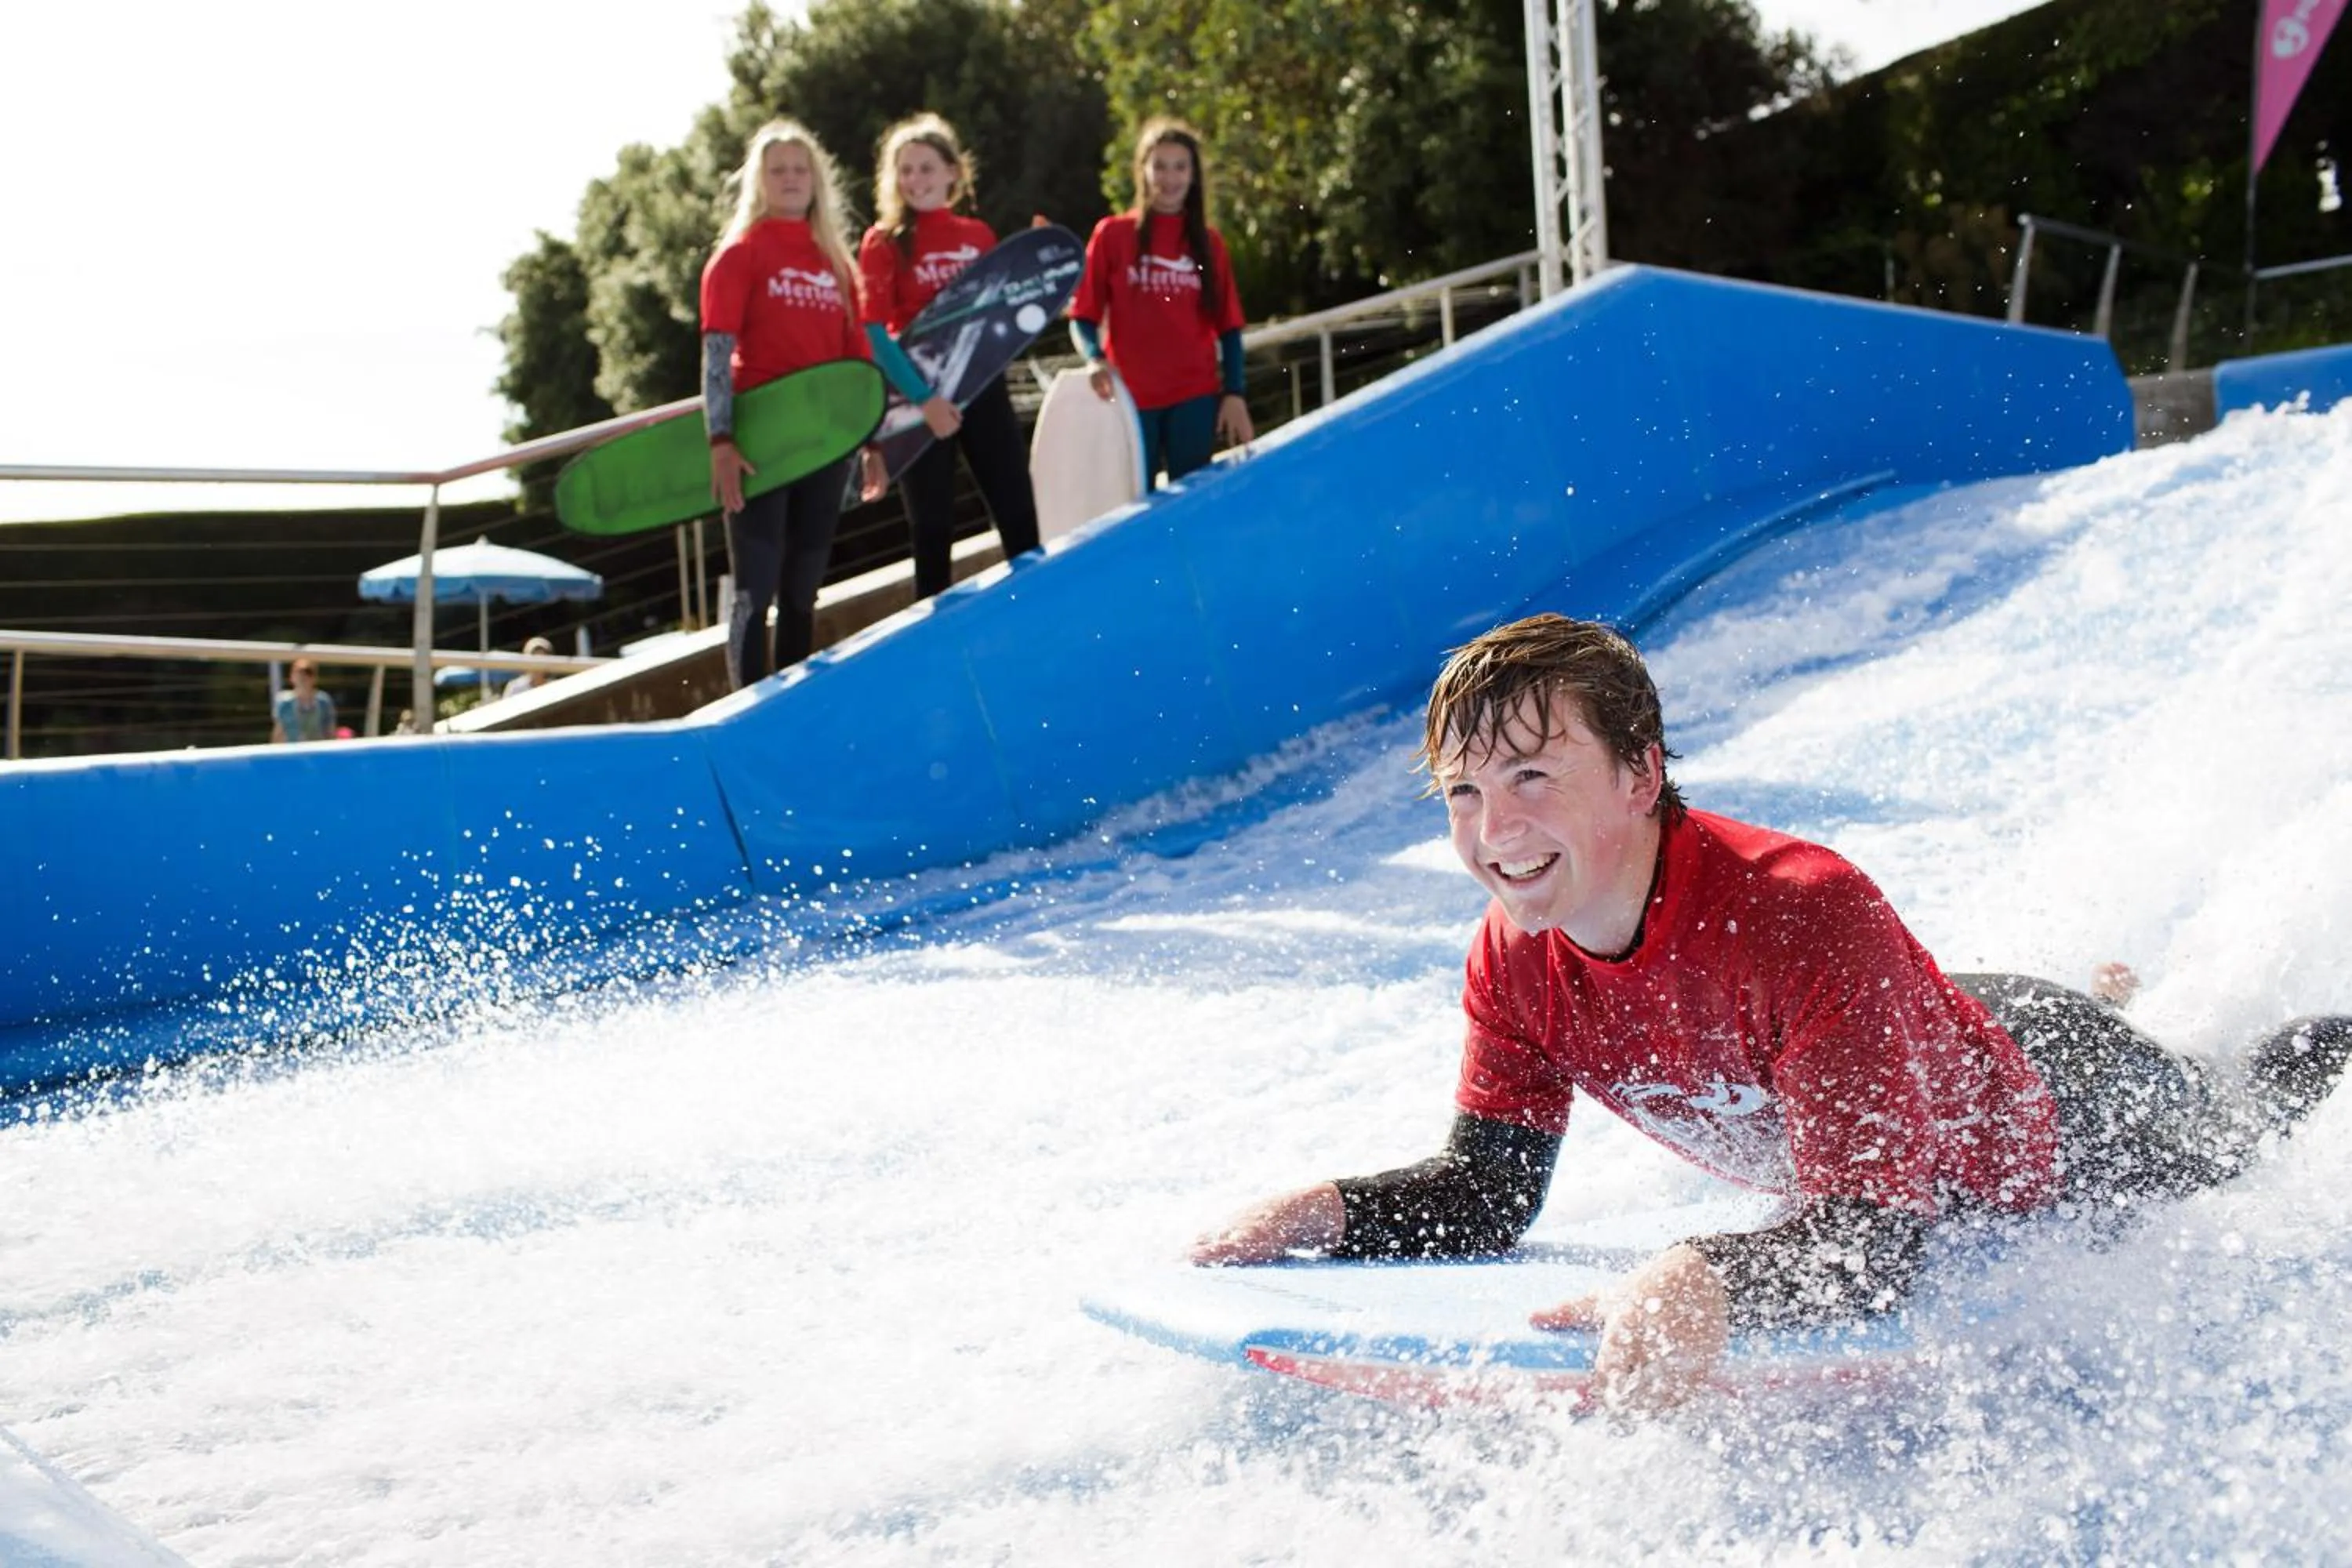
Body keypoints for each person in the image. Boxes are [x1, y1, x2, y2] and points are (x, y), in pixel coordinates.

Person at [1195, 613, 2352, 1413]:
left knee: (2246, 1111)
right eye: (1464, 792)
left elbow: (1875, 1239)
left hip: (2068, 1111)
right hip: (1914, 1028)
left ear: (1641, 775)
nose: (1493, 831)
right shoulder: (1513, 961)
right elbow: (1491, 1193)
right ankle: (2123, 994)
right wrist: (1323, 1212)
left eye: (1533, 777)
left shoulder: (1800, 910)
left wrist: (1696, 1275)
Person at [701, 118, 885, 689]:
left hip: (824, 445)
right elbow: (715, 354)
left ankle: (791, 709)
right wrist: (722, 441)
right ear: (758, 181)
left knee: (804, 591)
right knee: (755, 590)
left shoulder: (837, 263)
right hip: (759, 444)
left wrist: (871, 441)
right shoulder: (739, 256)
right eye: (777, 169)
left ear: (816, 180)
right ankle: (746, 711)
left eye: (800, 169)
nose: (790, 178)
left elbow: (860, 367)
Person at [858, 114, 1041, 601]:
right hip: (920, 403)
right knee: (933, 533)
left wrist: (1039, 261)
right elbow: (873, 333)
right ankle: (934, 651)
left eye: (926, 168)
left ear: (953, 173)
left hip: (984, 389)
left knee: (1019, 513)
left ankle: (1040, 619)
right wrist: (925, 399)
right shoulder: (883, 241)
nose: (915, 180)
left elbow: (1001, 315)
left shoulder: (978, 234)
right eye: (906, 170)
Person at [1067, 118, 1253, 488]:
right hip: (1132, 401)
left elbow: (1229, 327)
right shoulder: (1112, 235)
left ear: (1194, 175)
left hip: (1194, 398)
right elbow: (1082, 316)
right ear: (1143, 171)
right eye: (1160, 166)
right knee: (1135, 505)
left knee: (1193, 504)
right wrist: (1094, 359)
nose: (1169, 178)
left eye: (1180, 167)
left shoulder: (1210, 244)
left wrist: (1234, 393)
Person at [269, 659, 336, 742]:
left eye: (308, 673)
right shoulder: (284, 702)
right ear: (292, 677)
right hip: (293, 751)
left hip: (318, 751)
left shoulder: (323, 701)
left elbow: (330, 731)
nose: (303, 677)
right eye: (299, 673)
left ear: (315, 678)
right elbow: (279, 731)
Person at [503, 635, 556, 700]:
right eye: (534, 659)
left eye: (542, 660)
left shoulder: (554, 688)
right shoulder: (515, 688)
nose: (537, 665)